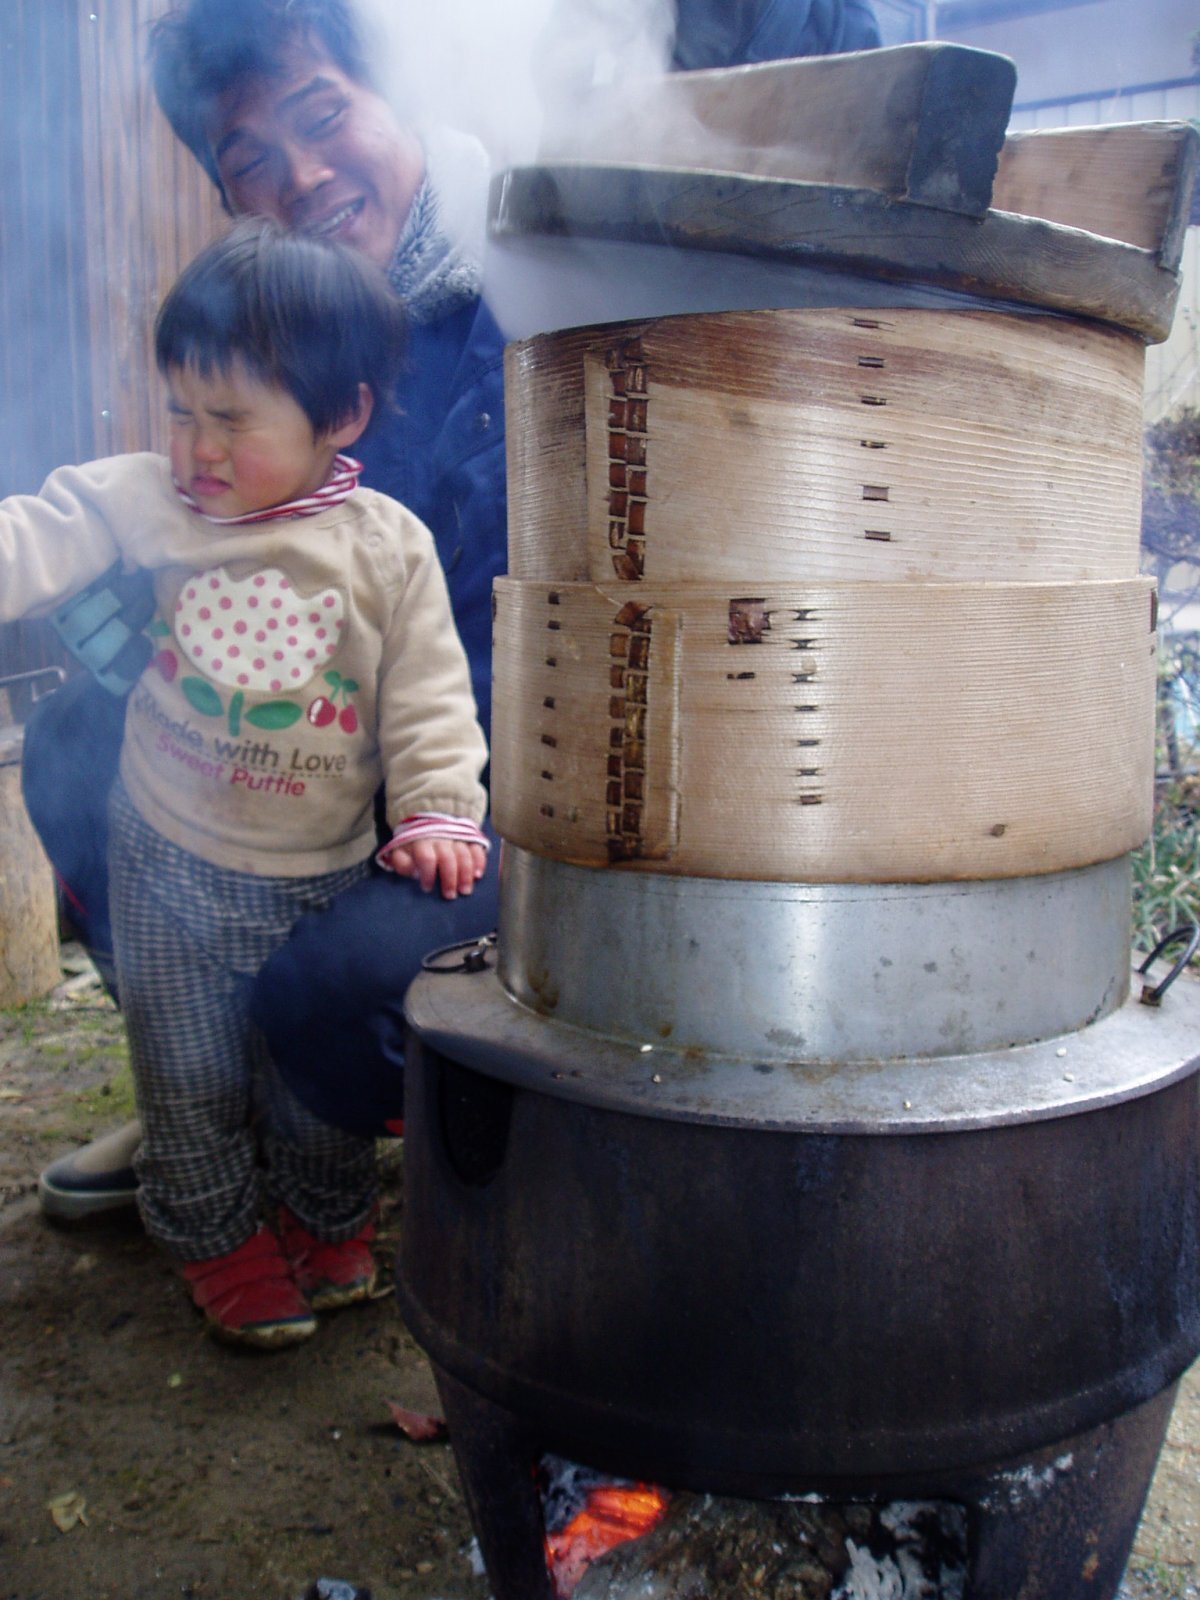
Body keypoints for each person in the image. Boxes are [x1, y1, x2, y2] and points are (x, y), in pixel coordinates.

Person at [28, 0, 881, 1215]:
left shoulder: (553, 266)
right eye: (251, 161)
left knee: (333, 992)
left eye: (322, 116)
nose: (302, 177)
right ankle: (202, 1090)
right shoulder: (280, 344)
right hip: (335, 755)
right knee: (75, 745)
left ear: (401, 92)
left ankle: (360, 1099)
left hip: (534, 797)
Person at [6, 218, 490, 1347]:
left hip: (321, 874)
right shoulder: (149, 500)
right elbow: (40, 531)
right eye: (181, 412)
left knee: (307, 1088)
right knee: (188, 1075)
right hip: (167, 859)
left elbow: (429, 698)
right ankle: (215, 1236)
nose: (196, 450)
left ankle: (323, 1220)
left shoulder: (387, 547)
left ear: (342, 416)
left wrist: (439, 812)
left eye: (231, 421)